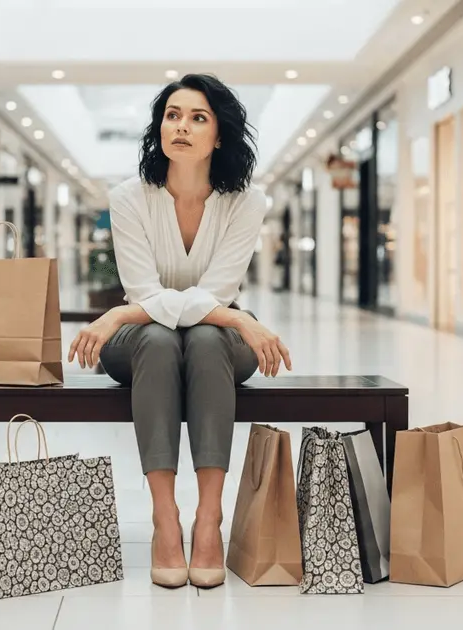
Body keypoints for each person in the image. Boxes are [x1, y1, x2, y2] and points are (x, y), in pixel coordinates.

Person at [67, 73, 292, 589]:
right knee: (164, 338)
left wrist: (126, 311)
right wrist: (231, 314)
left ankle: (208, 520)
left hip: (218, 347)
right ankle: (165, 518)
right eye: (172, 115)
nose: (182, 126)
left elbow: (212, 295)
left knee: (208, 337)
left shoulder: (247, 202)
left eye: (198, 117)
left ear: (220, 135)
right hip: (140, 350)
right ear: (159, 128)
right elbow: (145, 291)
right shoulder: (128, 197)